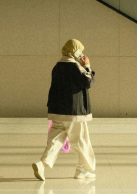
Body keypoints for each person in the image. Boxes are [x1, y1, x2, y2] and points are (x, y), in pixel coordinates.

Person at [32, 39, 96, 180]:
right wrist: (87, 67)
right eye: (80, 51)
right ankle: (83, 169)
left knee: (55, 140)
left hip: (57, 110)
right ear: (75, 52)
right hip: (73, 112)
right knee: (80, 140)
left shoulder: (57, 66)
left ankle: (41, 164)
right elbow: (87, 82)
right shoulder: (75, 67)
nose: (82, 54)